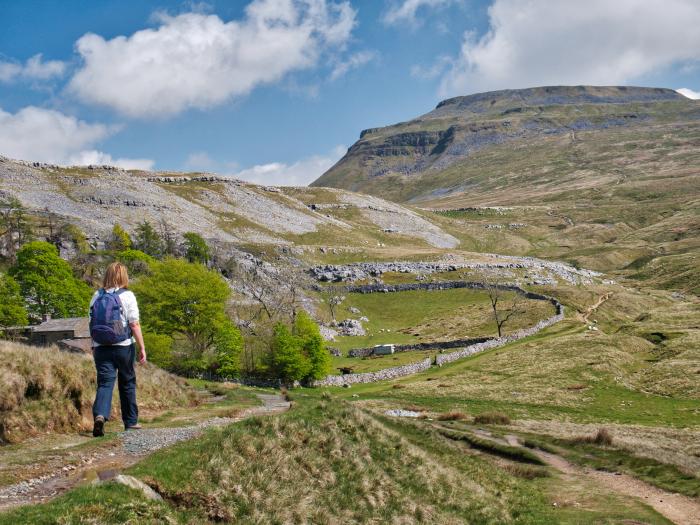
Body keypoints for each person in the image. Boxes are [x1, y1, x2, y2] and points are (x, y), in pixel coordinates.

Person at [89, 262, 147, 437]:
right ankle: (130, 422)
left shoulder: (96, 296)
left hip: (101, 347)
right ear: (124, 276)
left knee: (105, 383)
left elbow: (91, 322)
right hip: (123, 346)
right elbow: (134, 324)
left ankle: (100, 415)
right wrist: (142, 348)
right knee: (127, 382)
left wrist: (93, 345)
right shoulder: (127, 295)